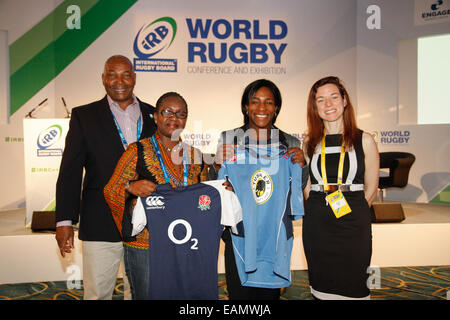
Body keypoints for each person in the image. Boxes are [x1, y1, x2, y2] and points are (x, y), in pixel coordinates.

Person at [55, 55, 156, 300]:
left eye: (126, 74)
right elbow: (70, 171)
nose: (119, 81)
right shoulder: (84, 116)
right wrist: (64, 221)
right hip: (100, 221)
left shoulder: (155, 115)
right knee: (97, 294)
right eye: (112, 74)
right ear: (103, 78)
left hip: (147, 224)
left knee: (144, 294)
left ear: (134, 78)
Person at [103, 92, 209, 299]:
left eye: (181, 114)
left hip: (186, 243)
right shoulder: (136, 151)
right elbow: (110, 189)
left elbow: (204, 199)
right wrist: (129, 187)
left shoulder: (196, 155)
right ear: (156, 116)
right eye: (167, 112)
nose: (174, 118)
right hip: (147, 246)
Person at [210, 79, 307, 300]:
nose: (261, 108)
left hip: (272, 231)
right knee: (239, 295)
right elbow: (216, 185)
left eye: (268, 102)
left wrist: (303, 166)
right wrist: (216, 164)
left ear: (276, 108)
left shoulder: (290, 142)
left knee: (268, 297)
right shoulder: (229, 138)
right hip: (239, 230)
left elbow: (298, 187)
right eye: (255, 102)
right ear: (246, 106)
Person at [302, 76, 379, 300]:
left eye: (334, 97)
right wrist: (318, 208)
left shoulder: (364, 139)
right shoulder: (310, 143)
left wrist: (356, 214)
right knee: (322, 285)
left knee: (354, 285)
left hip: (353, 222)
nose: (328, 104)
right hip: (318, 223)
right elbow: (307, 186)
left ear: (344, 101)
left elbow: (372, 187)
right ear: (315, 107)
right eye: (321, 100)